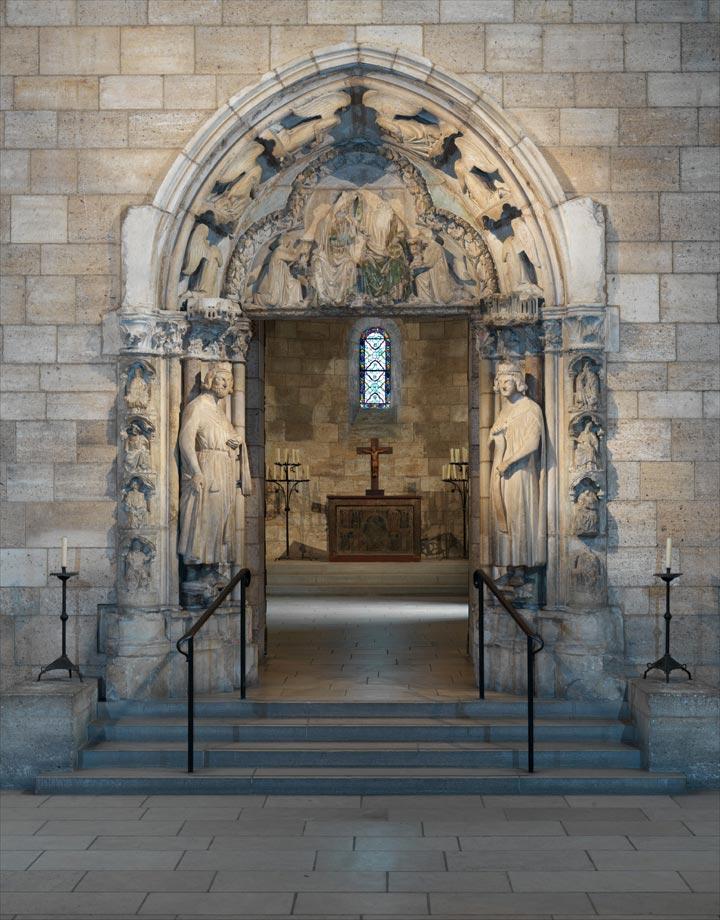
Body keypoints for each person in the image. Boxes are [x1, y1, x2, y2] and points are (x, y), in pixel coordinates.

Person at [178, 364, 251, 568]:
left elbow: (227, 437)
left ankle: (214, 565)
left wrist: (236, 440)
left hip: (224, 469)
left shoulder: (219, 412)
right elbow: (186, 440)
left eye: (230, 381)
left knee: (221, 516)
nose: (226, 384)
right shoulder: (198, 406)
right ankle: (199, 567)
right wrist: (196, 471)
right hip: (208, 467)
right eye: (222, 379)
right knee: (207, 517)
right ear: (210, 380)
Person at [489, 361, 546, 581]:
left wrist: (509, 461)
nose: (503, 384)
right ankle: (509, 566)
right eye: (500, 380)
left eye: (508, 380)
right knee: (505, 517)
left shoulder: (530, 408)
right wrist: (494, 437)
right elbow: (496, 438)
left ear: (518, 382)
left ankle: (521, 568)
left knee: (520, 517)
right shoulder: (504, 410)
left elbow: (532, 443)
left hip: (521, 472)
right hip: (503, 473)